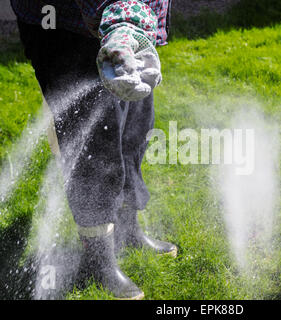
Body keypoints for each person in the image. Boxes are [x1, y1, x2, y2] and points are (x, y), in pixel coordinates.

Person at [10, 0, 177, 300]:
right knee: (93, 146)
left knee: (134, 124)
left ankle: (127, 230)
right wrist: (123, 20)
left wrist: (135, 26)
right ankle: (98, 260)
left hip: (118, 21)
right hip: (62, 22)